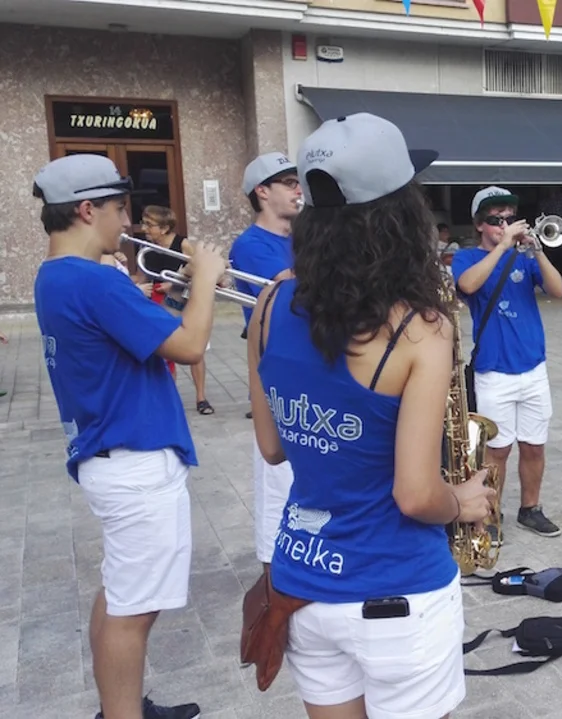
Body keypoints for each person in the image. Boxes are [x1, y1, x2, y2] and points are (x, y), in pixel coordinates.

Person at [247, 112, 494, 719]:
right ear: (400, 215)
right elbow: (415, 495)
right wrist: (460, 502)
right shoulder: (420, 328)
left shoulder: (271, 301)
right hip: (397, 593)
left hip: (305, 584)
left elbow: (273, 448)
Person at [32, 153, 226, 719]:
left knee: (121, 595)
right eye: (120, 209)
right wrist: (205, 278)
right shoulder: (93, 280)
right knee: (133, 610)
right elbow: (189, 346)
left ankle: (120, 706)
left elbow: (124, 330)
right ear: (86, 210)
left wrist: (169, 291)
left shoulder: (56, 275)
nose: (129, 223)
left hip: (110, 452)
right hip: (135, 459)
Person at [453, 186, 562, 538]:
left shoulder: (525, 258)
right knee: (496, 451)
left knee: (534, 445)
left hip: (533, 368)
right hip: (494, 371)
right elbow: (467, 285)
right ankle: (489, 515)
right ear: (479, 225)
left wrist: (538, 251)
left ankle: (530, 508)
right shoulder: (467, 258)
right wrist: (503, 246)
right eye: (495, 219)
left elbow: (558, 290)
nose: (504, 224)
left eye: (509, 218)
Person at [229, 152, 300, 572]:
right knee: (278, 486)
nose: (298, 190)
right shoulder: (251, 244)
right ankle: (274, 577)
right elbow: (293, 289)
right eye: (289, 183)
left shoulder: (302, 238)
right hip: (278, 376)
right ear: (262, 192)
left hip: (308, 368)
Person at [138, 205, 216, 415]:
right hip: (159, 303)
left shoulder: (183, 244)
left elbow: (200, 271)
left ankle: (201, 398)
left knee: (196, 351)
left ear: (164, 228)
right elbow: (141, 276)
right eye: (144, 223)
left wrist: (173, 284)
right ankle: (169, 398)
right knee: (165, 352)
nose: (144, 228)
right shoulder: (146, 248)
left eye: (149, 225)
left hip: (184, 302)